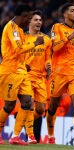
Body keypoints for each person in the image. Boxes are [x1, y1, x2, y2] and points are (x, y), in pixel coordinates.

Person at [0, 4, 44, 145]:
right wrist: (35, 43)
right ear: (23, 16)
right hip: (10, 71)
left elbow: (18, 53)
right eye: (29, 18)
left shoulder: (19, 29)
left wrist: (24, 63)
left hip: (21, 70)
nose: (29, 21)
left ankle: (15, 136)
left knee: (27, 102)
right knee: (9, 106)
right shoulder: (11, 28)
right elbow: (18, 49)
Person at [46, 3, 74, 146]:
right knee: (52, 106)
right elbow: (54, 47)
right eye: (72, 10)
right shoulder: (57, 27)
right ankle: (51, 135)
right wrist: (69, 37)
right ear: (65, 14)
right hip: (58, 73)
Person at [24, 10, 52, 144]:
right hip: (26, 76)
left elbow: (48, 58)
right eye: (35, 20)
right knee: (29, 103)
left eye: (40, 20)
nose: (39, 22)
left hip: (41, 77)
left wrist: (48, 65)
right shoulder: (23, 38)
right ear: (29, 22)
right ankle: (30, 135)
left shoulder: (46, 40)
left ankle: (25, 120)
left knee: (40, 109)